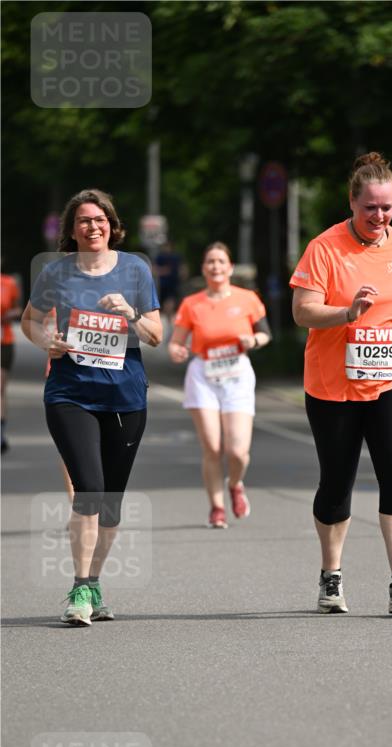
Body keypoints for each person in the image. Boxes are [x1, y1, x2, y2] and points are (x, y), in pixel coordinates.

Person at [290, 152, 392, 615]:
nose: (379, 216)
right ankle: (331, 576)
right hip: (334, 385)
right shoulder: (325, 248)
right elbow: (302, 311)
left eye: (387, 207)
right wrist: (346, 313)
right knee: (337, 482)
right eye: (370, 207)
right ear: (352, 202)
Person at [21, 188, 162, 625]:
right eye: (84, 221)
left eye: (100, 219)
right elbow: (30, 319)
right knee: (89, 489)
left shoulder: (135, 269)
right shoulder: (57, 273)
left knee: (111, 503)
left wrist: (130, 314)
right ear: (72, 230)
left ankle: (95, 581)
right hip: (71, 394)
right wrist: (49, 341)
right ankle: (80, 588)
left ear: (112, 225)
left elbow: (156, 335)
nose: (93, 227)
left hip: (125, 398)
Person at [168, 242, 271, 527]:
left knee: (237, 451)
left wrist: (254, 341)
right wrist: (176, 350)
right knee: (212, 448)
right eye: (210, 262)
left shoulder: (247, 298)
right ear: (204, 268)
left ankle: (235, 484)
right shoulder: (192, 304)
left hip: (237, 373)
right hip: (203, 375)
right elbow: (176, 342)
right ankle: (216, 508)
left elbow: (265, 333)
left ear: (230, 267)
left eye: (221, 262)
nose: (215, 267)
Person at [1, 267, 21, 453]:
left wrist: (10, 315)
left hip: (3, 342)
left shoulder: (8, 283)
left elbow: (18, 309)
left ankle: (0, 433)